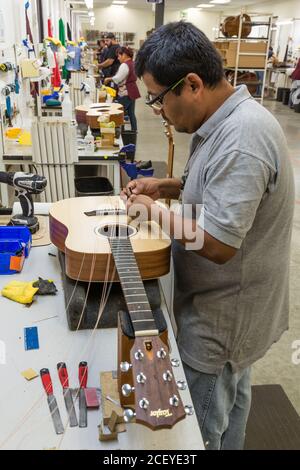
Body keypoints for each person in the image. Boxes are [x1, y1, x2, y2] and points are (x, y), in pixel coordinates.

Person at [122, 21, 295, 450]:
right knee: (231, 405)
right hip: (229, 310)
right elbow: (221, 192)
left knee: (200, 429)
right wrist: (166, 188)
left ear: (193, 84)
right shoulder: (227, 121)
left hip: (223, 320)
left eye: (159, 99)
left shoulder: (242, 138)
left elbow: (218, 244)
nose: (158, 110)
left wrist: (155, 214)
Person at [104, 46, 141, 131]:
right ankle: (134, 131)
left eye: (119, 56)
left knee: (119, 113)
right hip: (132, 91)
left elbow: (118, 79)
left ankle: (120, 132)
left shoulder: (124, 65)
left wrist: (108, 79)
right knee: (131, 113)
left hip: (125, 92)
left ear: (124, 55)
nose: (118, 58)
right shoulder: (133, 63)